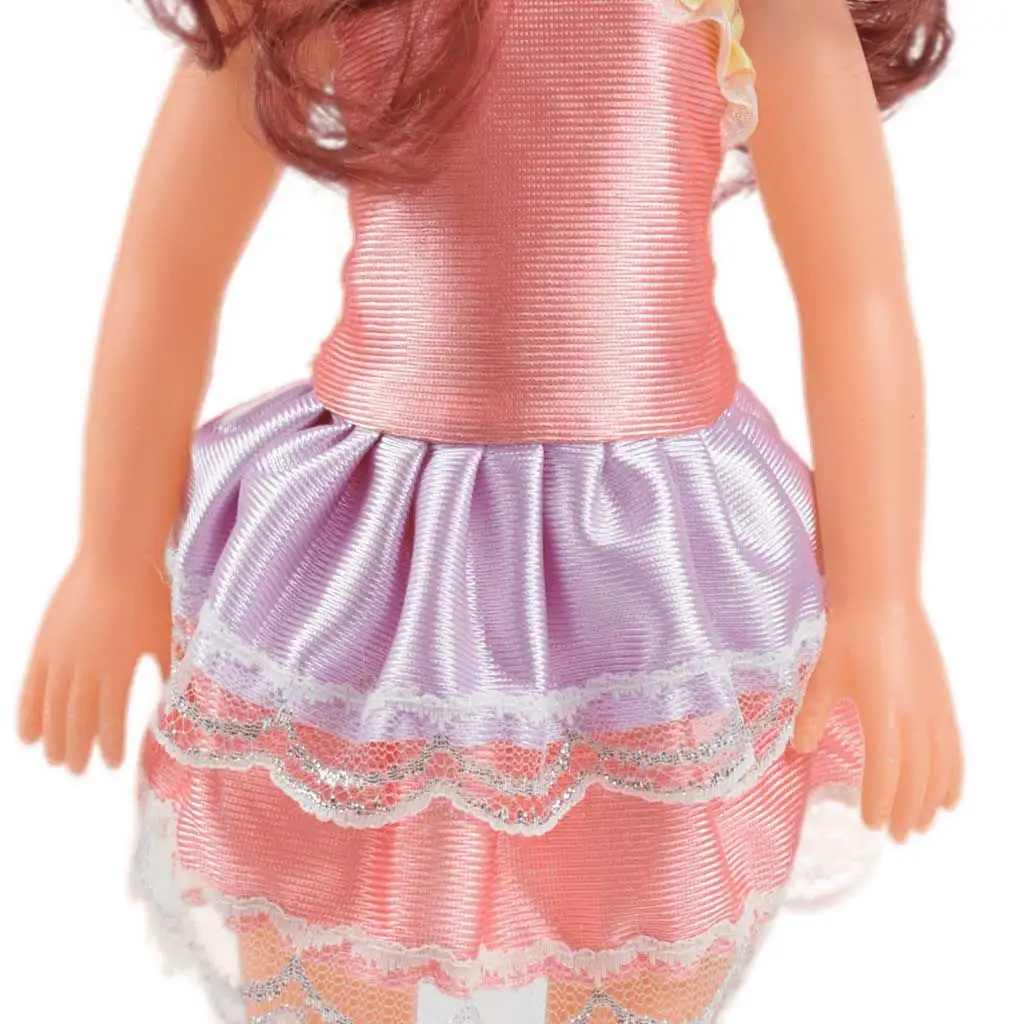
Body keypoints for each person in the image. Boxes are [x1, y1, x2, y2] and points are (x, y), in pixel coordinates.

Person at [16, 0, 964, 1020]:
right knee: (325, 927)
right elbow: (169, 270)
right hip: (370, 571)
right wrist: (111, 558)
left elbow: (857, 297)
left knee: (643, 928)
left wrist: (883, 601)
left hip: (650, 577)